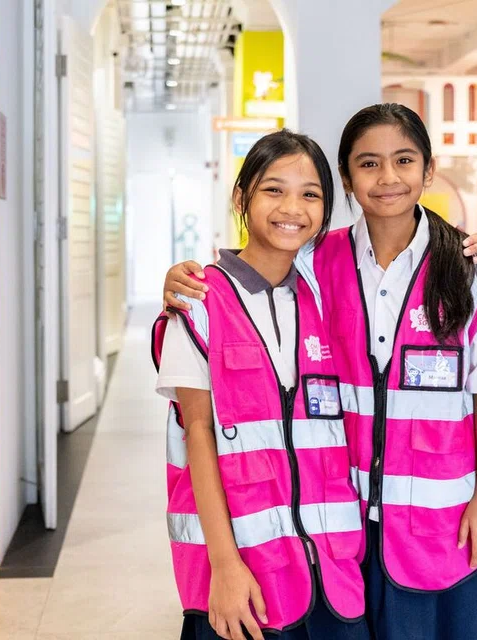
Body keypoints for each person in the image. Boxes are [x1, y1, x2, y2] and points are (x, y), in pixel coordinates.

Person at [164, 104, 477, 640]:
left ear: (428, 171)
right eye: (368, 164)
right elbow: (250, 279)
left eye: (404, 160)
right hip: (347, 523)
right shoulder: (315, 264)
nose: (387, 178)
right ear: (348, 179)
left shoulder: (466, 270)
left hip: (447, 523)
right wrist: (180, 282)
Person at [151, 130, 370, 640]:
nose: (292, 207)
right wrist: (225, 567)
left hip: (330, 578)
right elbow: (197, 436)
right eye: (274, 189)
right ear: (242, 197)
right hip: (244, 578)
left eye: (310, 194)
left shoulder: (324, 305)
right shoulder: (200, 304)